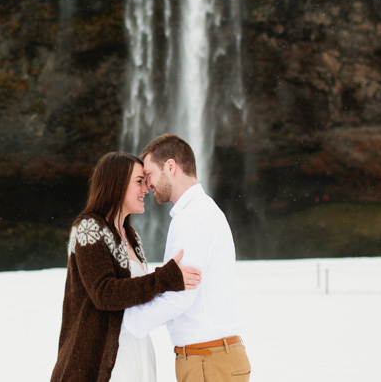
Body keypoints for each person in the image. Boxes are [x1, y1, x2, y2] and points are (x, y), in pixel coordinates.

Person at [50, 152, 202, 382]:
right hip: (99, 358)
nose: (147, 188)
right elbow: (104, 293)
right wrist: (163, 279)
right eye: (139, 181)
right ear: (117, 183)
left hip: (136, 349)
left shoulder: (133, 237)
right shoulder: (89, 228)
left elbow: (137, 293)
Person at [123, 134, 251, 381]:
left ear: (170, 167)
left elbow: (180, 295)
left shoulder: (191, 218)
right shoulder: (203, 210)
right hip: (215, 357)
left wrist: (127, 323)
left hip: (208, 360)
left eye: (148, 175)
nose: (147, 185)